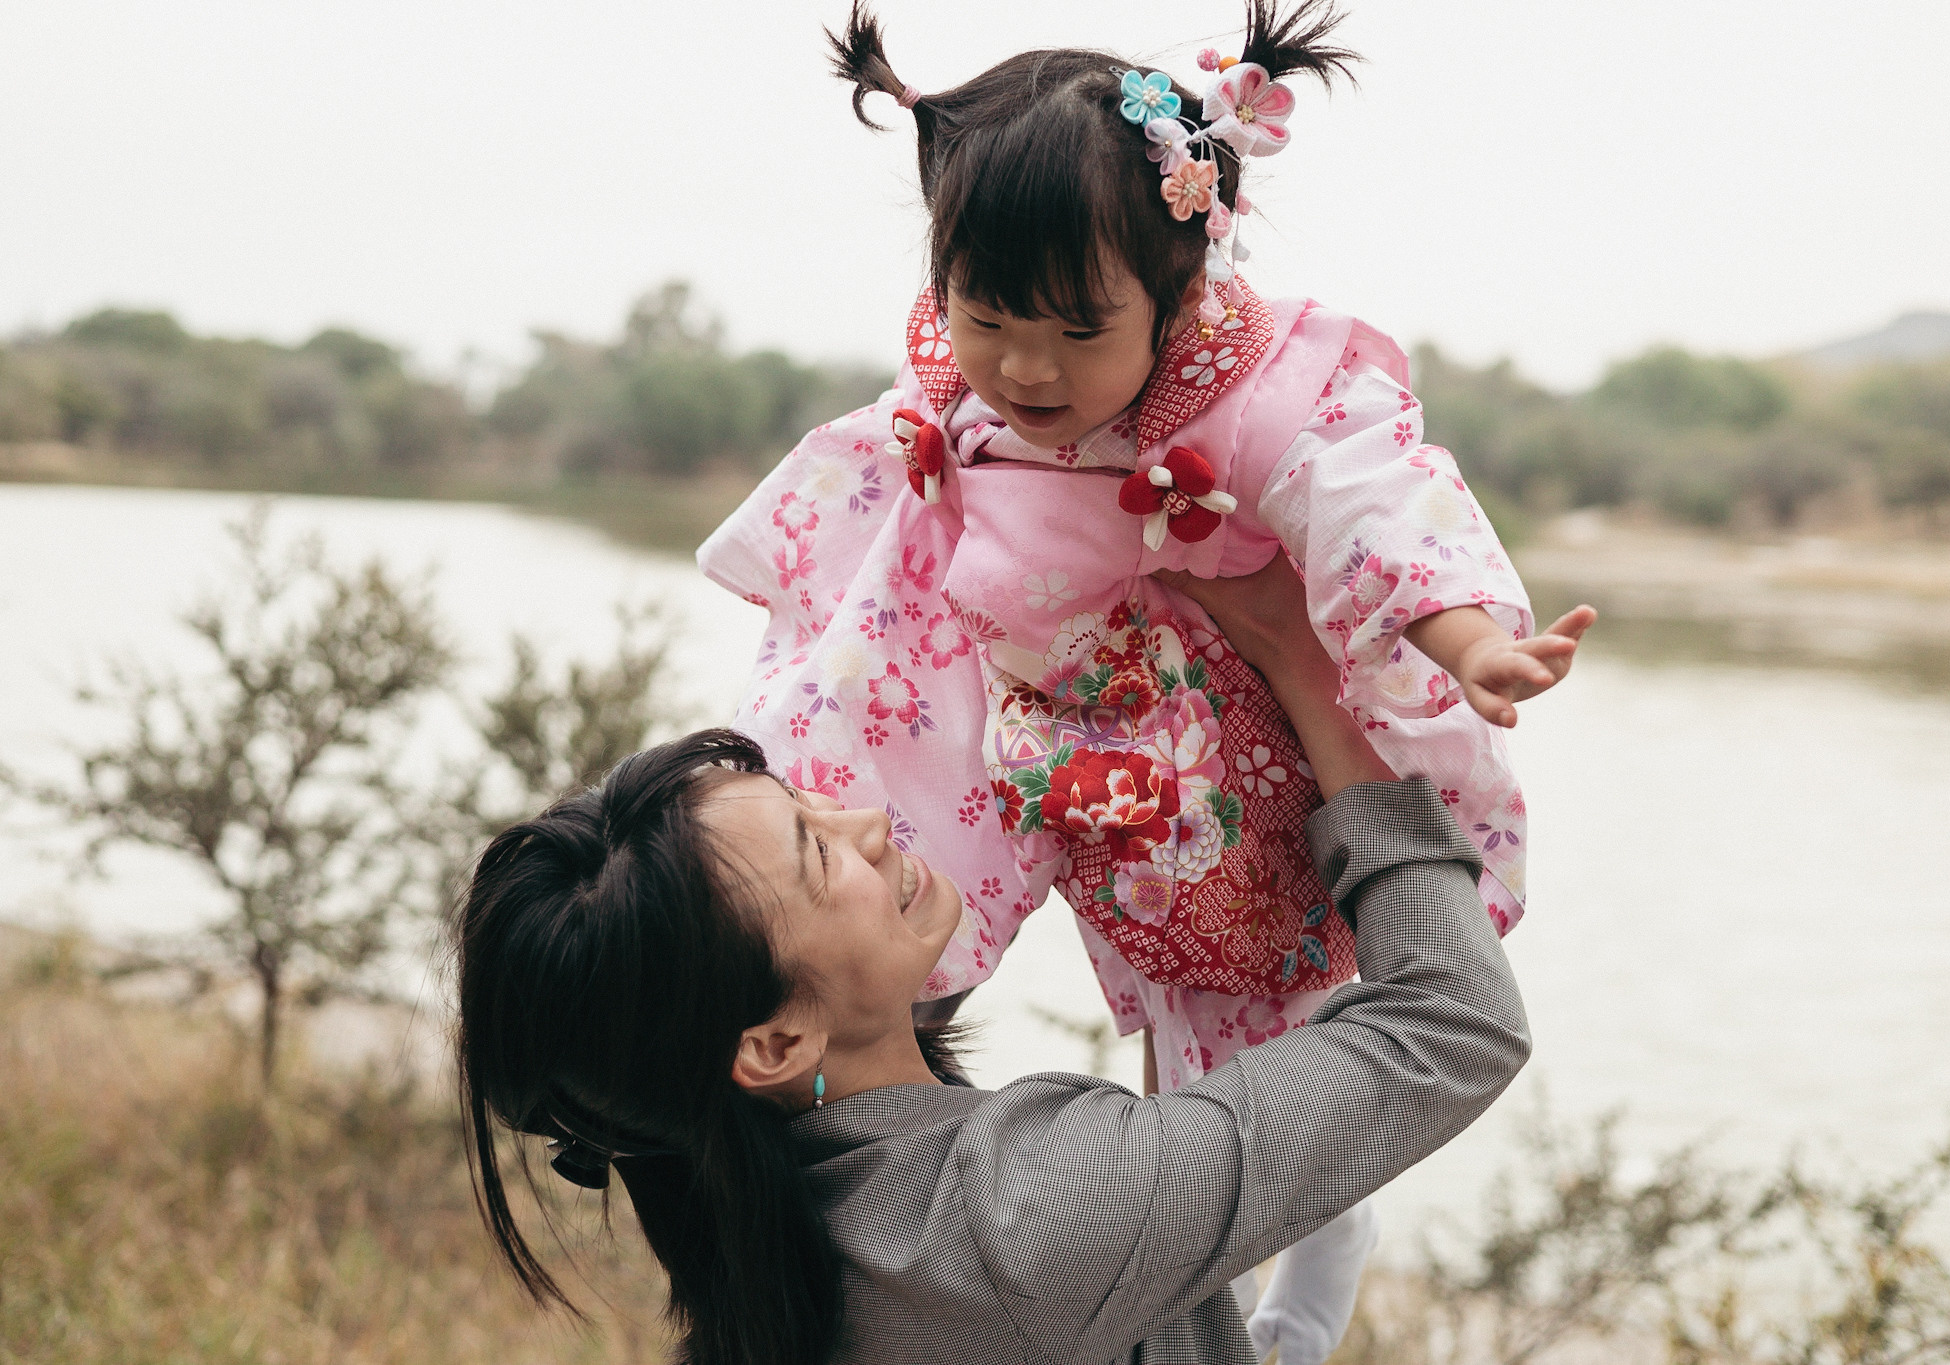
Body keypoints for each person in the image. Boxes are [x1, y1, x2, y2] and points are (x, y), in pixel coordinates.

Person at [694, 3, 1593, 1354]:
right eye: (987, 317)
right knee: (900, 885)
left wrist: (1468, 637)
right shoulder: (959, 378)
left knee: (1268, 1028)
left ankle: (1300, 1296)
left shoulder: (1256, 383)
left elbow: (1377, 498)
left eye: (1074, 329)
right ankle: (834, 1054)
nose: (1026, 368)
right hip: (1051, 723)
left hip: (1225, 745)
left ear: (1177, 294)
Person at [456, 553, 1536, 1365]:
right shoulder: (1024, 1217)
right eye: (811, 852)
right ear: (774, 1042)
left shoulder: (755, 1219)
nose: (865, 820)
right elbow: (1450, 1023)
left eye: (804, 798)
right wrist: (1304, 673)